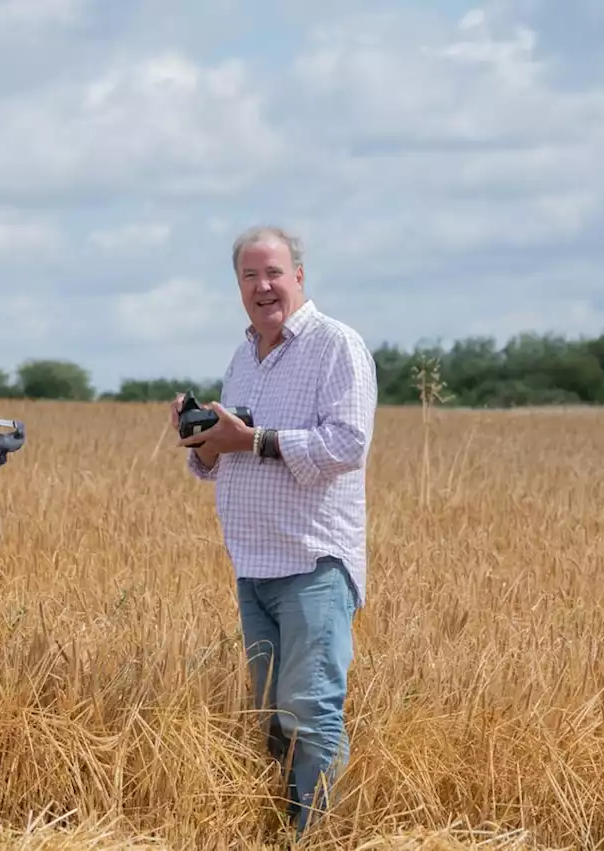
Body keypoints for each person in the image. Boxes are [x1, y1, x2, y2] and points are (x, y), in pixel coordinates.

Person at [171, 225, 378, 836]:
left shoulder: (336, 345)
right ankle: (279, 830)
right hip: (254, 566)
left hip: (313, 564)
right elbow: (225, 457)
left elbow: (348, 445)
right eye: (249, 276)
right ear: (238, 285)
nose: (263, 286)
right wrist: (203, 442)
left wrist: (251, 439)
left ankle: (314, 837)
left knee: (310, 712)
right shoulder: (245, 357)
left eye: (274, 273)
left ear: (299, 278)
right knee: (273, 718)